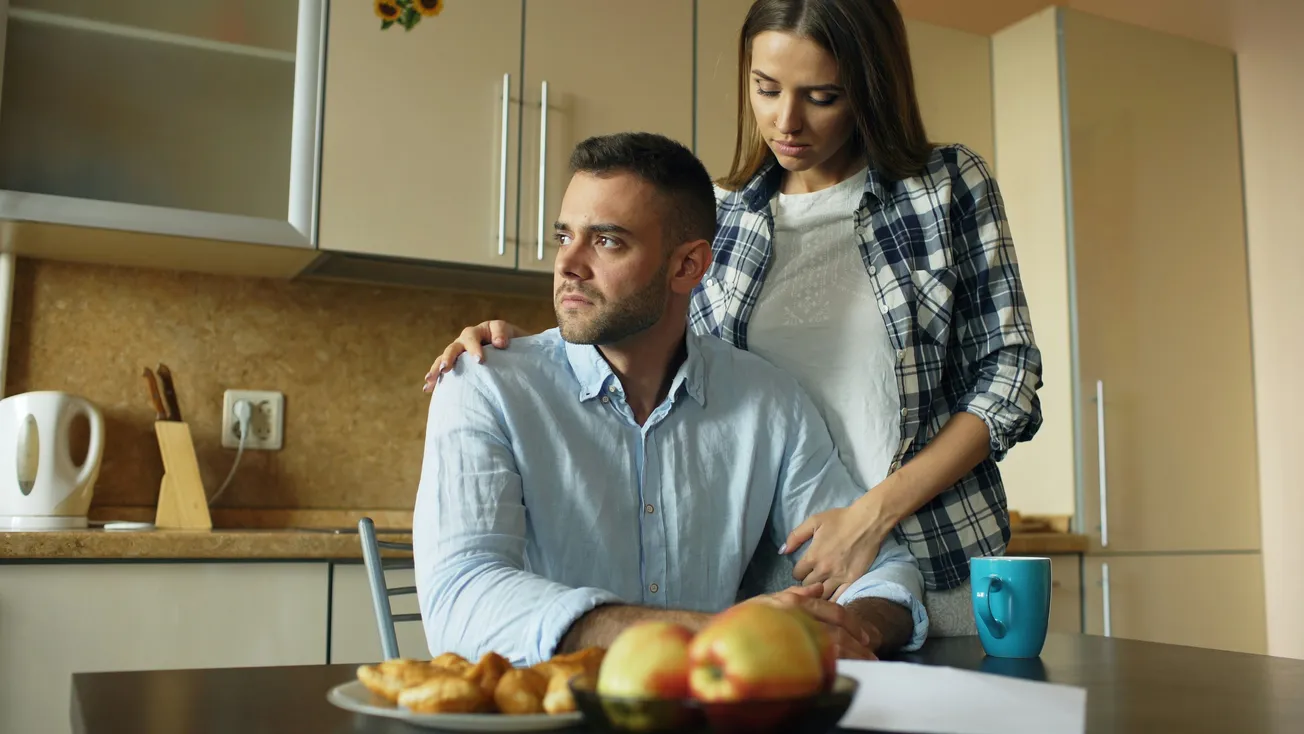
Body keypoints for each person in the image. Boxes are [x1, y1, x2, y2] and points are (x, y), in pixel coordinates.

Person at [421, 0, 1042, 634]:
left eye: (822, 96)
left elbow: (1010, 374)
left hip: (925, 553)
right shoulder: (729, 213)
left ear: (869, 90)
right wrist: (537, 359)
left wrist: (871, 515)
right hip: (769, 570)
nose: (786, 120)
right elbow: (665, 350)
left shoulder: (944, 187)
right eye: (766, 89)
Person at [413, 131, 928, 667]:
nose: (568, 263)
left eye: (607, 241)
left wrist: (852, 630)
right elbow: (460, 601)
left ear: (688, 266)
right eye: (564, 236)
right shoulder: (483, 383)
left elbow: (884, 574)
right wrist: (714, 633)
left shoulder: (768, 403)